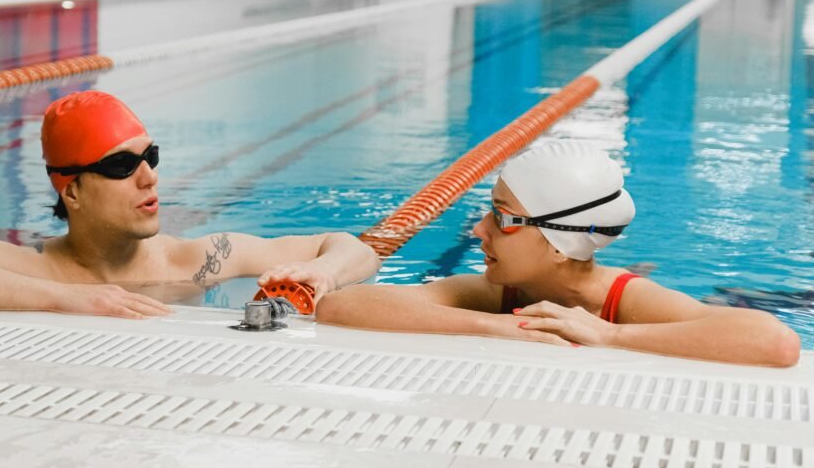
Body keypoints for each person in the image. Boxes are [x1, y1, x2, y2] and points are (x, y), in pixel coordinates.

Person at [0, 90, 381, 318]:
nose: (149, 176)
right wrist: (61, 299)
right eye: (120, 166)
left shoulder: (199, 262)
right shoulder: (35, 269)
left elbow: (343, 245)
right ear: (70, 190)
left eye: (150, 156)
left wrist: (328, 275)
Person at [316, 142, 800, 367]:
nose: (479, 230)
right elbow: (341, 306)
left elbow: (776, 343)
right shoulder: (497, 295)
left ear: (558, 244)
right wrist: (497, 325)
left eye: (502, 218)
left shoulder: (625, 301)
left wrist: (610, 337)